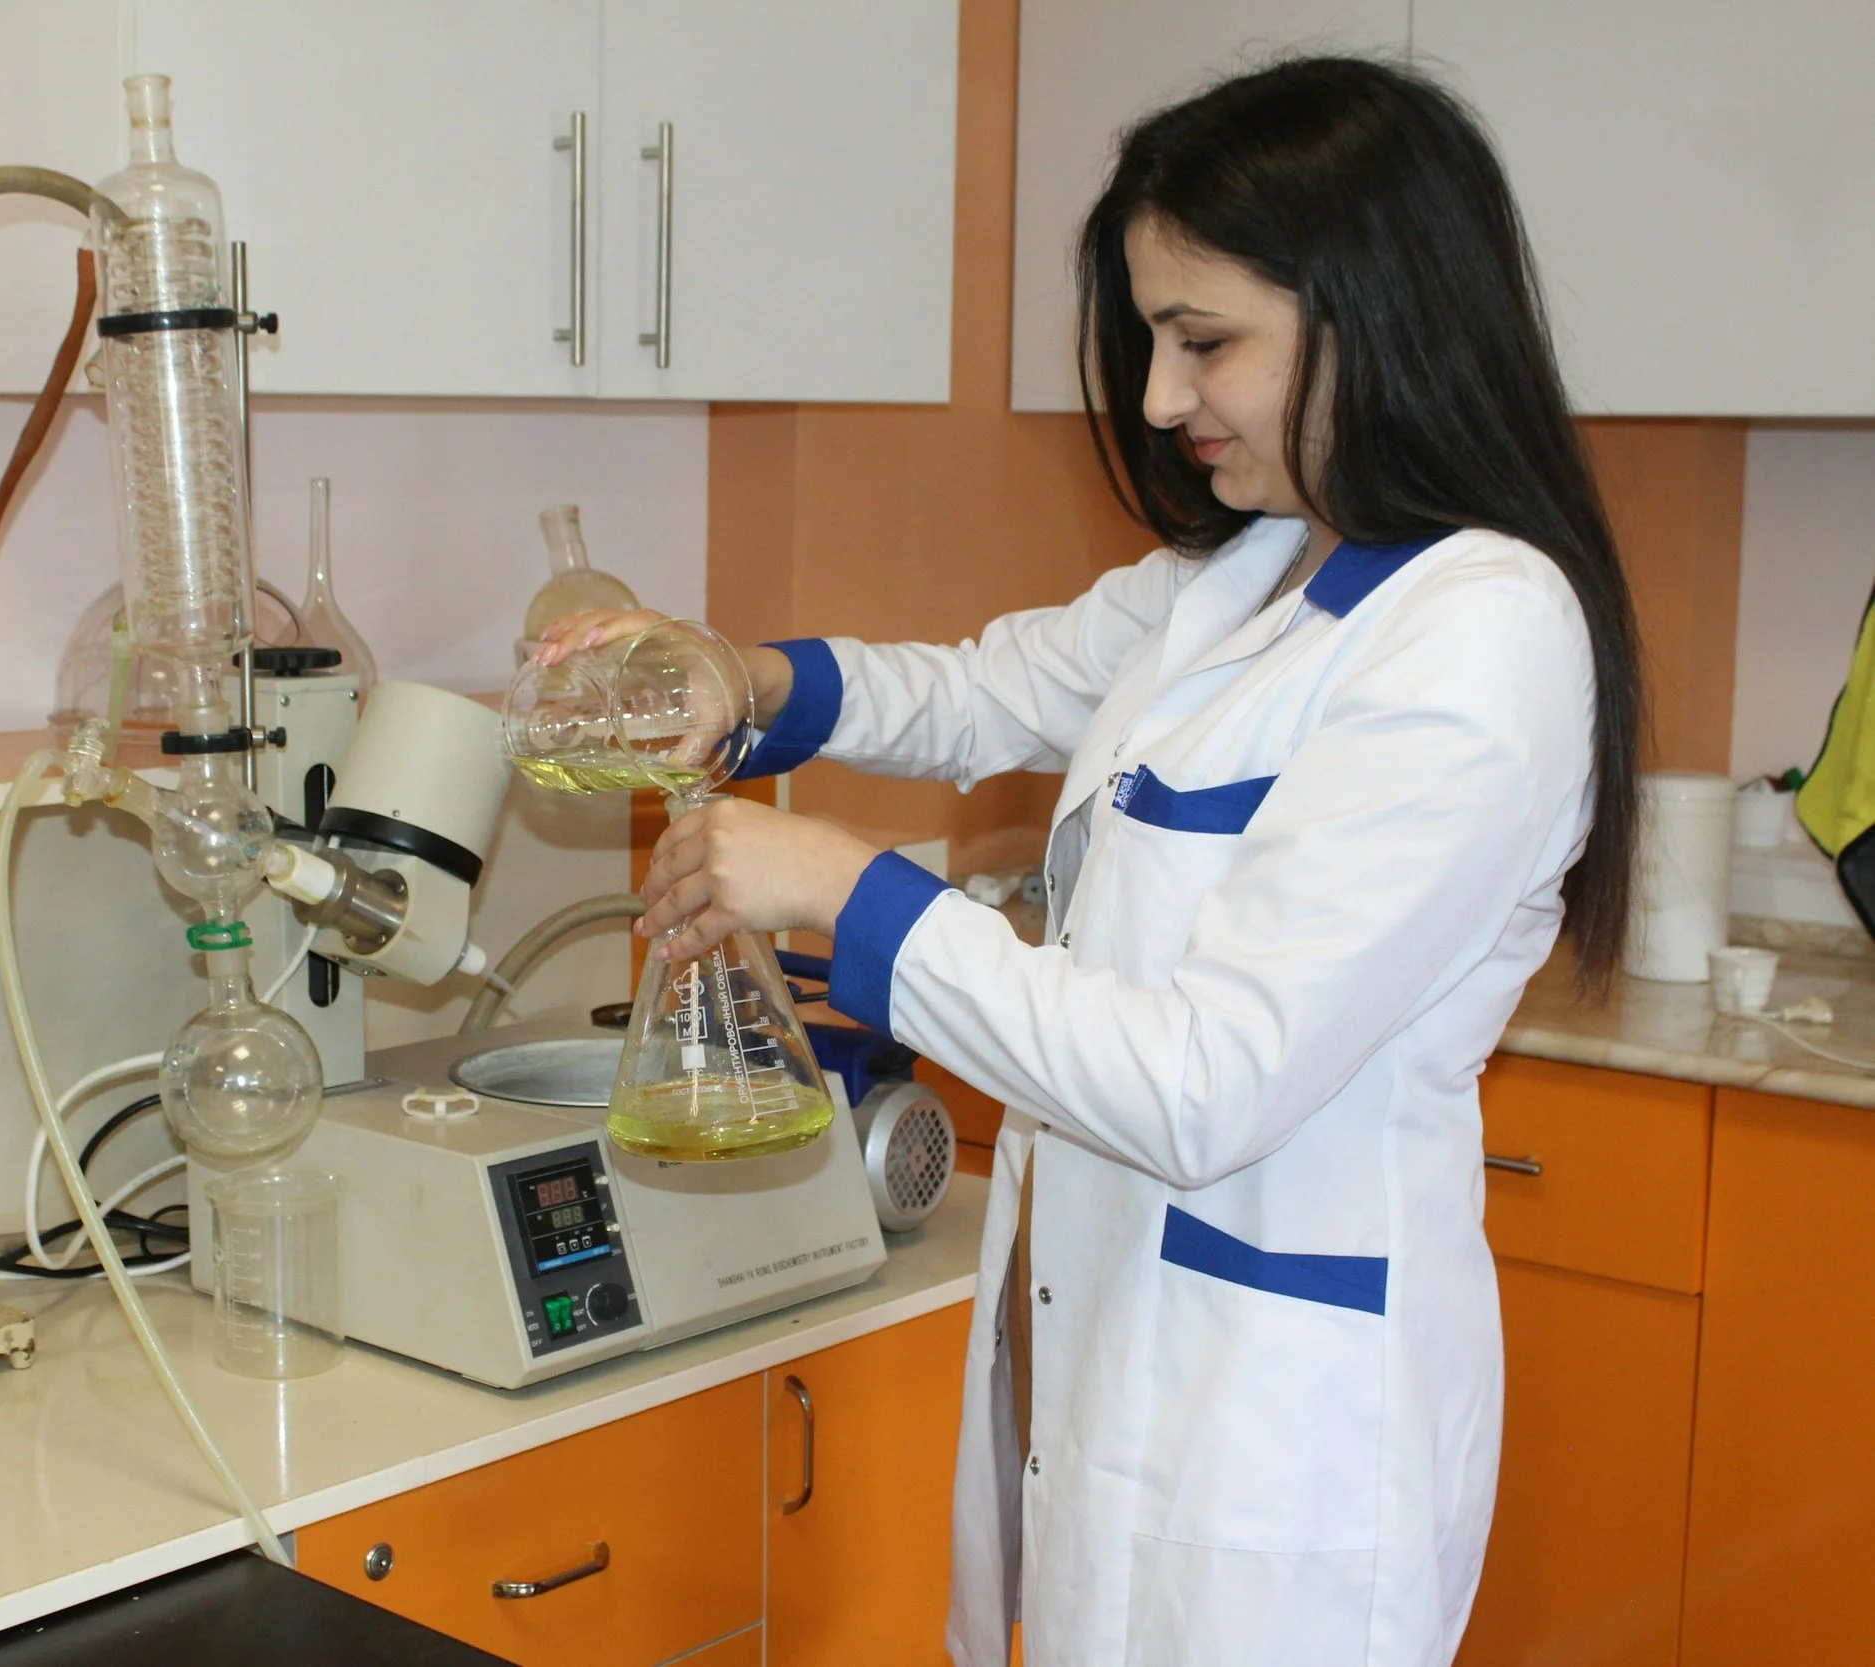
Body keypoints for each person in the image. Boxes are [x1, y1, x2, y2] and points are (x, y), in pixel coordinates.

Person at [534, 54, 1641, 1667]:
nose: (1162, 397)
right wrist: (745, 683)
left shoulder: (1485, 634)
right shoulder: (1250, 568)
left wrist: (849, 891)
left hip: (1278, 1449)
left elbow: (1208, 1076)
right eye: (1153, 342)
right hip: (1109, 1358)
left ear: (1377, 310)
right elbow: (989, 684)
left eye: (1206, 342)